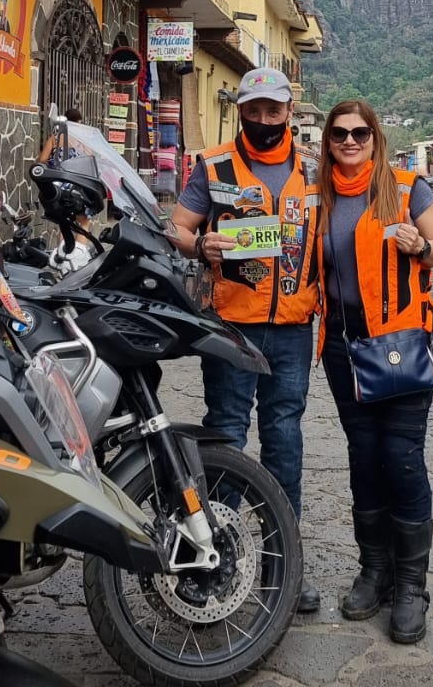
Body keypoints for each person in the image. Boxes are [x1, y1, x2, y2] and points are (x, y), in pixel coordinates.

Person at [168, 67, 322, 613]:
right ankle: (222, 557)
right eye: (252, 110)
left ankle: (285, 564)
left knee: (284, 440)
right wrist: (200, 244)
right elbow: (179, 227)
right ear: (241, 111)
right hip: (230, 324)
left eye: (272, 110)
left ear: (288, 111)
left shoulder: (313, 169)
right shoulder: (211, 165)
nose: (262, 120)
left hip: (293, 329)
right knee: (227, 436)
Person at [316, 99, 433, 644]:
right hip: (343, 349)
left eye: (360, 133)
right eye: (340, 133)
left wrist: (422, 247)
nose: (350, 142)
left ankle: (411, 584)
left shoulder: (406, 187)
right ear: (328, 141)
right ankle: (374, 571)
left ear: (376, 139)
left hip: (401, 345)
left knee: (401, 458)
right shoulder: (317, 198)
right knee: (363, 458)